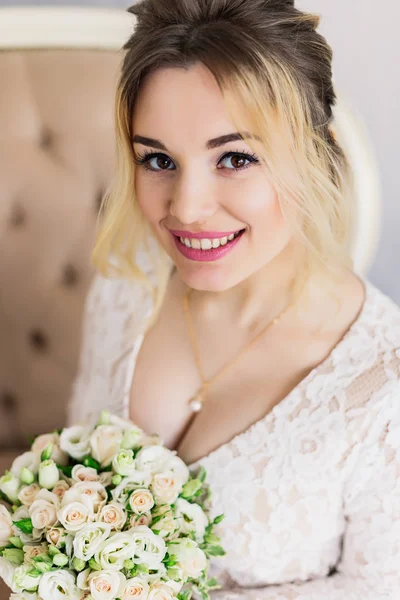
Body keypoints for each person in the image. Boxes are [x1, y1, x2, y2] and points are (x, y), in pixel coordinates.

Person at [67, 0, 400, 597]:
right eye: (159, 160)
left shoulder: (383, 390)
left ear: (315, 152)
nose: (186, 209)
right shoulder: (127, 281)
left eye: (236, 158)